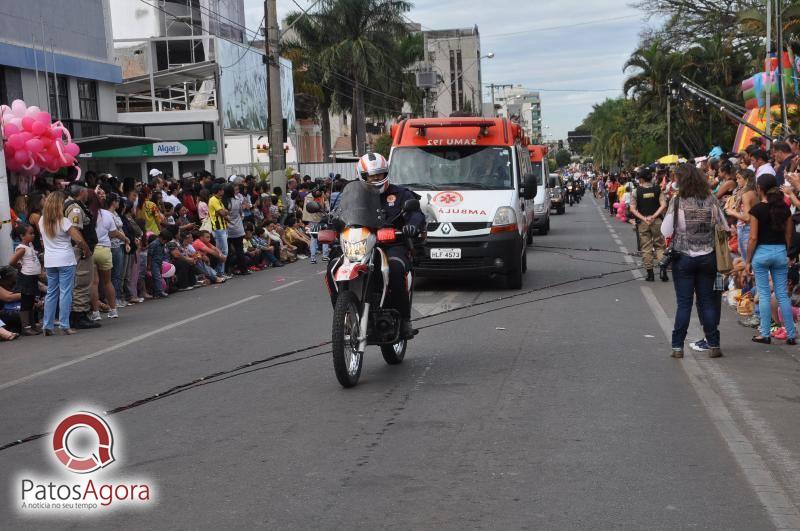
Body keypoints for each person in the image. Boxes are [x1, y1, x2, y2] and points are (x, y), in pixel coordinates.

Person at [326, 153, 426, 339]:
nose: (376, 179)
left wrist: (412, 225)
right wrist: (327, 224)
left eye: (380, 174)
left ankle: (404, 320)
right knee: (332, 267)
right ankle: (342, 316)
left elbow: (416, 214)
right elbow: (337, 214)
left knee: (396, 268)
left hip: (391, 243)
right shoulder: (352, 195)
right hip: (359, 243)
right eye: (372, 176)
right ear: (362, 176)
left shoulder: (401, 194)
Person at [661, 163, 728, 359]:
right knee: (707, 302)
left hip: (683, 258)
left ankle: (677, 347)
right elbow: (724, 226)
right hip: (708, 257)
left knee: (684, 304)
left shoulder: (677, 201)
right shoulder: (711, 199)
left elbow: (665, 230)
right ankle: (713, 344)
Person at [747, 173, 797, 345]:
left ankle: (765, 333)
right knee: (782, 295)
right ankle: (791, 334)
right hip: (780, 252)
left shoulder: (757, 210)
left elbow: (753, 238)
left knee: (765, 295)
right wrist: (785, 250)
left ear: (760, 189)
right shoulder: (784, 208)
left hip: (761, 253)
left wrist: (747, 260)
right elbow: (789, 233)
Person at [40, 191, 91, 335]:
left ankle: (47, 325)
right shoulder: (64, 221)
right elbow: (78, 240)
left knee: (51, 293)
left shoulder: (41, 221)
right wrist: (86, 250)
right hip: (65, 259)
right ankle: (64, 324)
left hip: (50, 260)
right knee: (66, 292)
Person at [64, 181, 100, 330]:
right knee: (82, 280)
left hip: (81, 250)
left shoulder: (76, 205)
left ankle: (81, 314)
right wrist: (84, 248)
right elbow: (75, 232)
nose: (87, 193)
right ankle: (79, 315)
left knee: (82, 280)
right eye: (86, 191)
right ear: (81, 192)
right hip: (80, 251)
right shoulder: (75, 209)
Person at [91, 194, 128, 320]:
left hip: (90, 250)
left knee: (94, 283)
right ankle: (113, 310)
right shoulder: (107, 214)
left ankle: (95, 313)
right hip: (105, 249)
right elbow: (113, 232)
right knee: (108, 282)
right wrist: (125, 239)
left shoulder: (86, 213)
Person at [630, 167, 668, 281]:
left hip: (643, 223)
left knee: (646, 248)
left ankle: (650, 274)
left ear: (641, 179)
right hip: (657, 222)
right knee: (660, 246)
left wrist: (645, 218)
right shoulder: (657, 189)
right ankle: (663, 271)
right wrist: (654, 216)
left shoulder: (636, 191)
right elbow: (663, 205)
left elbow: (632, 208)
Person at [9, 224, 42, 335]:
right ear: (22, 236)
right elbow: (12, 261)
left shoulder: (30, 245)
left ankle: (32, 325)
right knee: (26, 303)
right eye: (30, 233)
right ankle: (26, 327)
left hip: (32, 277)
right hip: (26, 278)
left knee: (32, 302)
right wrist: (18, 266)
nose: (33, 235)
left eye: (33, 233)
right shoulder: (22, 249)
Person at [725, 169, 758, 262]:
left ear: (746, 179)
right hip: (749, 228)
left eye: (739, 178)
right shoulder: (754, 192)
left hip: (746, 229)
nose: (737, 181)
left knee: (747, 261)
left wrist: (732, 212)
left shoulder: (747, 194)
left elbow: (747, 217)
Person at [223, 184, 248, 275]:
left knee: (227, 251)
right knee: (239, 250)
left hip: (227, 229)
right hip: (238, 228)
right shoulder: (237, 200)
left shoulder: (223, 202)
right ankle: (243, 270)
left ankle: (227, 271)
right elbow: (241, 213)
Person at [208, 184, 229, 278]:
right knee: (223, 251)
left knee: (221, 251)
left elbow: (225, 212)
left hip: (222, 227)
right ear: (218, 190)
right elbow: (223, 212)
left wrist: (224, 212)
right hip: (218, 228)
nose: (223, 192)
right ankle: (220, 272)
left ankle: (220, 272)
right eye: (221, 190)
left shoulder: (218, 200)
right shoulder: (213, 199)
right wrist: (224, 212)